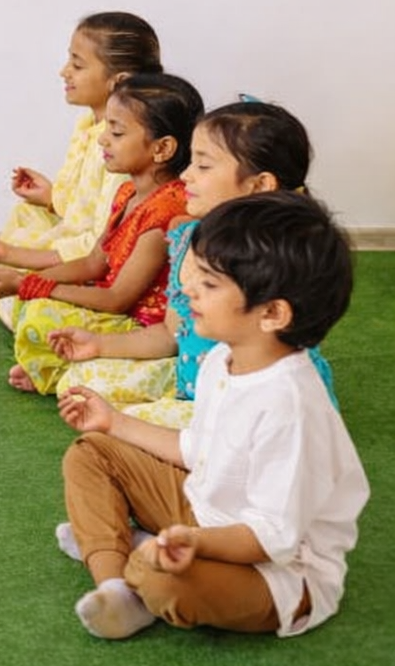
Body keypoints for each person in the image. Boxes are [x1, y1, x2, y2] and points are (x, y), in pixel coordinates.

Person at [56, 192, 367, 639]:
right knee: (91, 453)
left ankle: (131, 552)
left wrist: (194, 542)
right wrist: (113, 423)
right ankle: (116, 586)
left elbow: (272, 537)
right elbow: (198, 450)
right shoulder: (222, 358)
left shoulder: (291, 405)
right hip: (203, 513)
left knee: (164, 580)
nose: (188, 290)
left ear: (272, 313)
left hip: (277, 571)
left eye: (210, 283)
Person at [51, 100, 337, 426]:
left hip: (249, 407)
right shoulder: (188, 238)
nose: (186, 175)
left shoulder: (277, 261)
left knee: (125, 423)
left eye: (203, 166)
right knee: (81, 382)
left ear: (259, 185)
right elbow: (170, 333)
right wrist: (99, 344)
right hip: (194, 386)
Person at [0, 73, 202, 394]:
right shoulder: (127, 192)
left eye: (116, 132)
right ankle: (54, 364)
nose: (102, 139)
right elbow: (94, 262)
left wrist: (27, 284)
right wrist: (27, 281)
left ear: (162, 148)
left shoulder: (166, 211)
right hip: (110, 303)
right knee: (31, 300)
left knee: (39, 313)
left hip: (141, 327)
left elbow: (117, 299)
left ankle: (58, 369)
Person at [0, 13, 163, 330]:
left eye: (77, 65)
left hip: (99, 263)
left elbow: (99, 248)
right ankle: (12, 280)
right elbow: (85, 208)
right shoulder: (91, 125)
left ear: (118, 81)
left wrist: (8, 254)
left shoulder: (124, 154)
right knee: (26, 215)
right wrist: (51, 198)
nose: (64, 72)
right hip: (83, 248)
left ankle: (14, 283)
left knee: (39, 314)